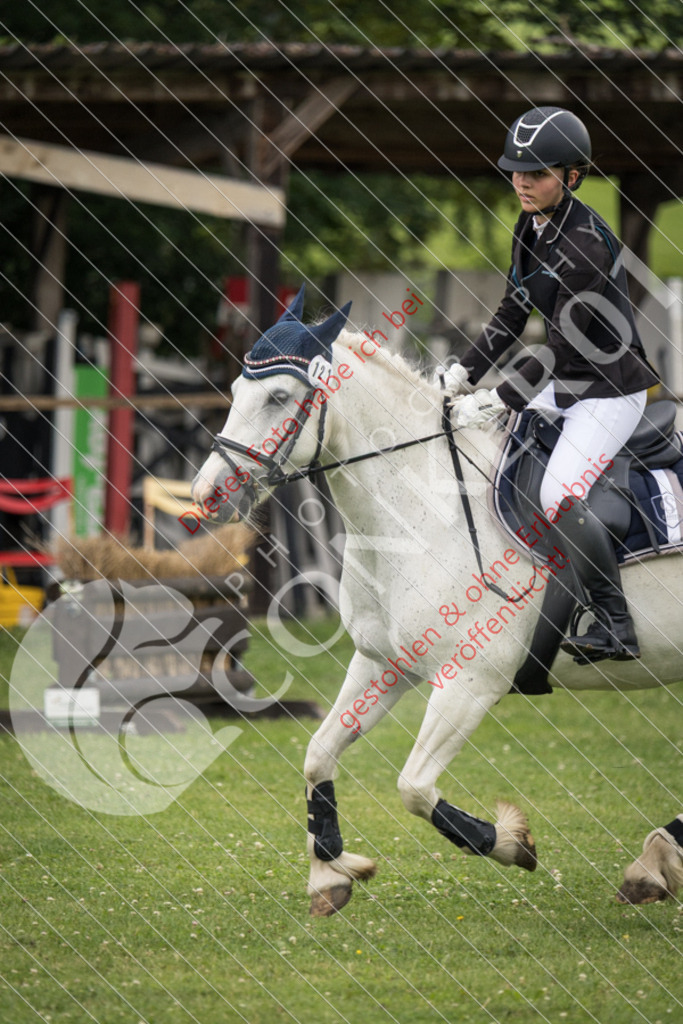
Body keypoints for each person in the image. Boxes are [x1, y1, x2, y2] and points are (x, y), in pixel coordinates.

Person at [443, 106, 659, 663]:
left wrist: (498, 398)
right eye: (516, 170)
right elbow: (513, 313)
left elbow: (562, 349)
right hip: (566, 379)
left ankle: (616, 623)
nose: (521, 181)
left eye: (535, 173)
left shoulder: (585, 245)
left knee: (558, 493)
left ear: (572, 175)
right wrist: (463, 372)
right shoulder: (531, 223)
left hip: (608, 390)